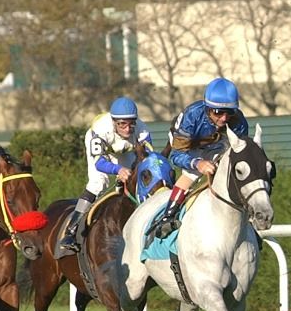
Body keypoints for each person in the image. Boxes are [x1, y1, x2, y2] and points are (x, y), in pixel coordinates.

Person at [148, 77, 249, 239]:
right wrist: (198, 163)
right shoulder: (192, 116)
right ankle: (168, 217)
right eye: (218, 112)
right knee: (190, 176)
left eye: (229, 112)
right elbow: (176, 155)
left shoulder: (239, 121)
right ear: (208, 108)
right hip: (188, 147)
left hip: (218, 147)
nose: (223, 118)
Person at [57, 97, 153, 255]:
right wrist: (118, 170)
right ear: (114, 122)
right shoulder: (101, 129)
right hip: (103, 153)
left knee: (136, 179)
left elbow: (148, 157)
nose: (128, 129)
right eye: (122, 124)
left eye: (131, 123)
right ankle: (71, 231)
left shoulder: (141, 128)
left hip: (123, 150)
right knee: (98, 183)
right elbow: (99, 163)